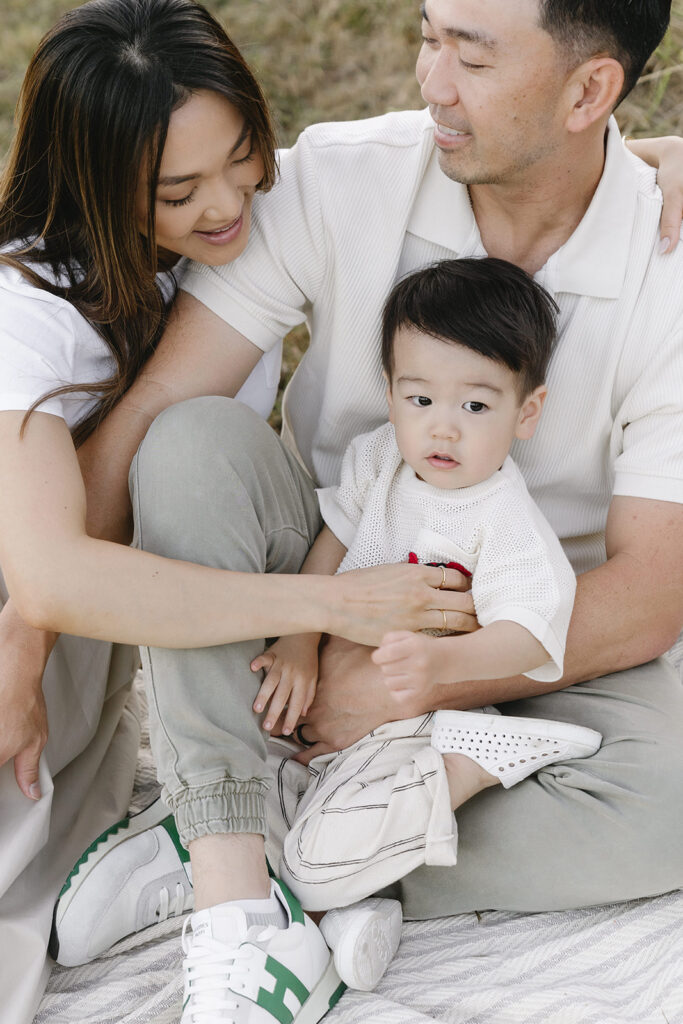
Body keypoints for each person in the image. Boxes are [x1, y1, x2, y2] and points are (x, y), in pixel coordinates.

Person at [49, 0, 683, 1002]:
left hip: (528, 630)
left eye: (468, 56)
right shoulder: (349, 175)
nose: (429, 80)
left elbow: (647, 590)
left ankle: (260, 856)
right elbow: (164, 401)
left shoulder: (668, 266)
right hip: (319, 576)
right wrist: (32, 604)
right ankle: (237, 854)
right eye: (428, 37)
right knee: (191, 445)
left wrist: (412, 683)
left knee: (669, 801)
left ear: (588, 91)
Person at [0, 1, 476, 1020]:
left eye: (242, 156)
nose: (226, 204)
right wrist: (332, 604)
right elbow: (44, 571)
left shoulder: (236, 242)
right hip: (41, 617)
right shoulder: (26, 313)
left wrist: (649, 152)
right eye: (176, 190)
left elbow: (433, 152)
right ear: (96, 181)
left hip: (119, 611)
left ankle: (242, 863)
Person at [247, 258, 603, 991]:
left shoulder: (504, 520)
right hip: (338, 699)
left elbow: (533, 634)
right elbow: (335, 540)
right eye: (419, 399)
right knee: (262, 806)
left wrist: (442, 668)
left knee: (315, 851)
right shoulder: (377, 458)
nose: (442, 427)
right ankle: (352, 914)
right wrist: (297, 637)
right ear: (390, 395)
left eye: (475, 407)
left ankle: (480, 755)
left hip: (417, 719)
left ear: (525, 412)